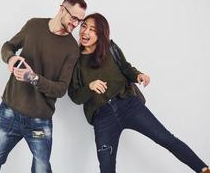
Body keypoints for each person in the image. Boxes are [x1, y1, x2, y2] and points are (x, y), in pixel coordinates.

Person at [68, 13, 209, 173]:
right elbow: (75, 96)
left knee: (166, 139)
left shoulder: (110, 48)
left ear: (101, 34)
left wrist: (138, 75)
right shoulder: (75, 61)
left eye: (92, 29)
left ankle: (203, 169)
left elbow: (126, 67)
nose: (85, 32)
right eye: (84, 26)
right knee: (106, 167)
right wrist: (90, 87)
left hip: (128, 105)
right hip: (103, 117)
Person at [0, 0, 87, 173]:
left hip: (40, 121)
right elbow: (7, 46)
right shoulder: (34, 26)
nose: (76, 24)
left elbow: (61, 89)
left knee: (42, 169)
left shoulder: (71, 49)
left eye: (80, 20)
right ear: (62, 9)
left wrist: (33, 78)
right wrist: (11, 58)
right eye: (74, 18)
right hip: (9, 113)